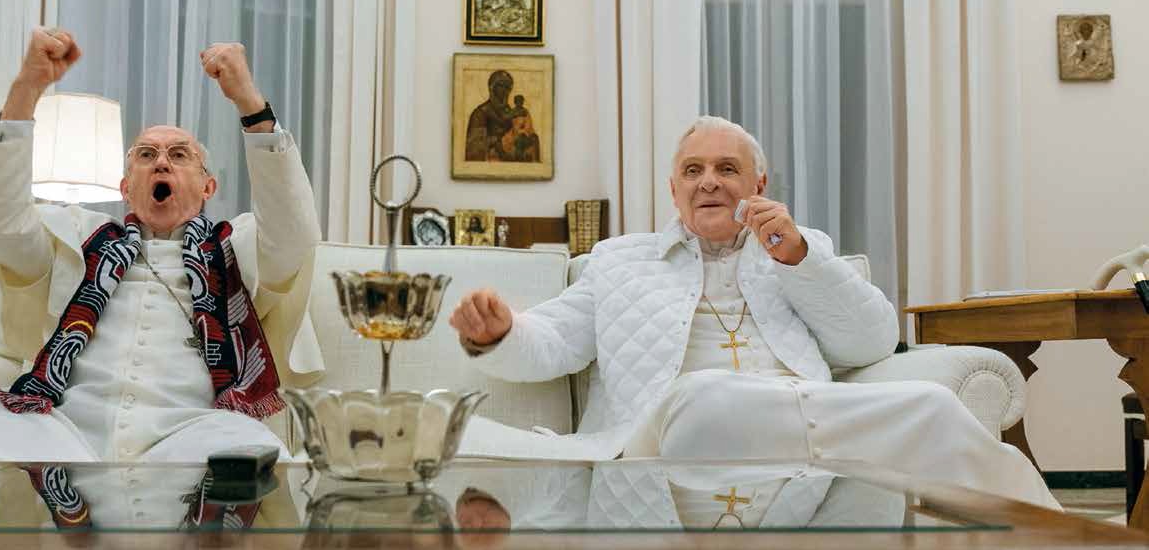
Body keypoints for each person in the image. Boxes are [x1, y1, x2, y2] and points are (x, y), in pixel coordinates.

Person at [448, 115, 1059, 508]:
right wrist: (502, 331)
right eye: (693, 170)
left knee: (931, 403)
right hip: (674, 434)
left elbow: (873, 343)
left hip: (791, 455)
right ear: (673, 190)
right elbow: (552, 342)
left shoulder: (797, 249)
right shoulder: (619, 261)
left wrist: (800, 260)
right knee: (705, 396)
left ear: (758, 184)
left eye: (727, 169)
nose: (709, 182)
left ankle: (1055, 530)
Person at [0, 27, 323, 470]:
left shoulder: (237, 246)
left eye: (179, 155)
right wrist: (27, 89)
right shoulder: (77, 237)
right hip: (60, 423)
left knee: (257, 463)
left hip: (195, 427)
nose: (161, 162)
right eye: (146, 154)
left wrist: (249, 102)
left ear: (208, 187)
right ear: (125, 187)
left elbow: (294, 231)